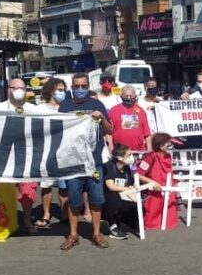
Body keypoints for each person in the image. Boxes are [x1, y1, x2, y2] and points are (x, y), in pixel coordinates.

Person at [58, 73, 114, 249]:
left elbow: (110, 130)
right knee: (74, 200)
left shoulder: (97, 104)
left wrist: (102, 118)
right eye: (77, 86)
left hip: (93, 161)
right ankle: (73, 235)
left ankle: (96, 234)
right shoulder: (65, 106)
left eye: (83, 86)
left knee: (96, 199)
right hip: (72, 162)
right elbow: (56, 130)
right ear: (72, 87)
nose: (80, 89)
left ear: (88, 87)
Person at [0, 78, 43, 235]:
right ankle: (6, 223)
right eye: (14, 88)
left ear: (26, 90)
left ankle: (27, 221)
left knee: (28, 192)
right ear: (8, 89)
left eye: (21, 88)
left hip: (27, 157)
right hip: (5, 157)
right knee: (4, 192)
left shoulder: (34, 109)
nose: (18, 91)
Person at [34, 77, 66, 229]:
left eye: (64, 90)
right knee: (46, 184)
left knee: (63, 185)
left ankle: (65, 213)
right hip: (45, 151)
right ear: (51, 91)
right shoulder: (39, 109)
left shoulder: (66, 108)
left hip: (63, 151)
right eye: (59, 90)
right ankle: (46, 214)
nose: (62, 93)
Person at [137, 133, 178, 231]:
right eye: (167, 143)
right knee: (152, 215)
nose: (170, 145)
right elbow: (138, 174)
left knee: (169, 219)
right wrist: (153, 183)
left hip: (168, 190)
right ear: (160, 145)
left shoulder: (168, 156)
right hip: (154, 190)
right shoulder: (150, 157)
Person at [102, 144, 139, 240]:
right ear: (120, 158)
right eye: (128, 155)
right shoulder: (109, 166)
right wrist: (127, 189)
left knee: (136, 205)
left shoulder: (127, 168)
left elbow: (128, 185)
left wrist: (135, 197)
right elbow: (111, 187)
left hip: (122, 196)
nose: (131, 157)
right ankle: (112, 225)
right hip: (106, 198)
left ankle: (125, 222)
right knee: (114, 198)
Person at [107, 86, 153, 153]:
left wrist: (149, 151)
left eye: (131, 96)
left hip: (138, 151)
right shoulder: (113, 111)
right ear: (121, 96)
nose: (128, 98)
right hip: (120, 152)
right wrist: (111, 151)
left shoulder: (141, 112)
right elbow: (108, 133)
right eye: (126, 96)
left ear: (135, 96)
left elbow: (147, 134)